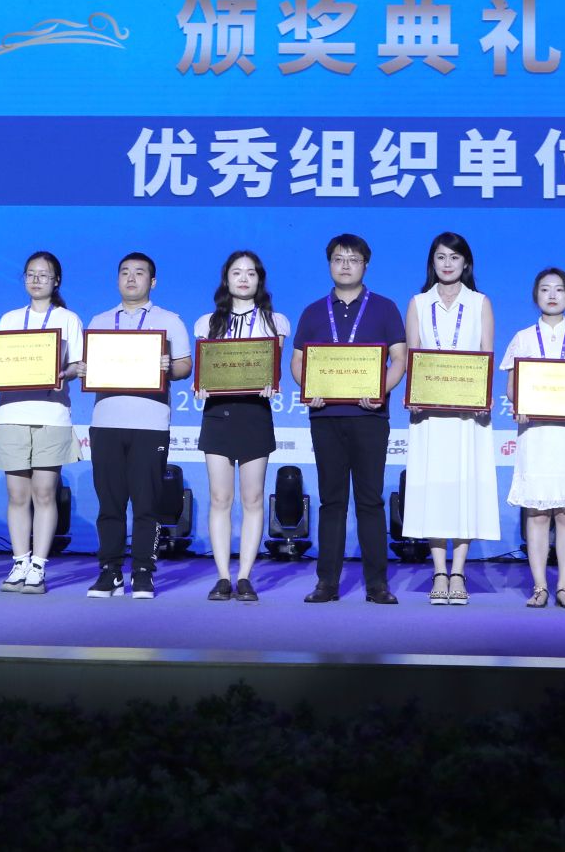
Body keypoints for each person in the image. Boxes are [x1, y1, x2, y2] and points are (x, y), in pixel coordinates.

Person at [294, 234, 409, 605]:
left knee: (370, 500)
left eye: (353, 259)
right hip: (325, 416)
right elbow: (298, 361)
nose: (345, 265)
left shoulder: (385, 308)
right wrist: (309, 388)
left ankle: (377, 584)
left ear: (365, 265)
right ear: (329, 264)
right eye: (338, 259)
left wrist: (379, 391)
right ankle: (326, 583)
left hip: (370, 416)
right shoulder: (313, 311)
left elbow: (400, 358)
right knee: (331, 501)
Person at [84, 252, 191, 600]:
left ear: (152, 281)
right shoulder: (100, 321)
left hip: (150, 423)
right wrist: (85, 369)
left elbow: (185, 366)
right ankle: (110, 571)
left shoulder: (169, 321)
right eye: (125, 273)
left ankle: (143, 571)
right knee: (110, 503)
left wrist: (168, 366)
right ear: (117, 279)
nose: (131, 279)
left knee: (146, 503)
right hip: (106, 421)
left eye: (140, 273)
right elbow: (87, 365)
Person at [401, 232, 497, 605]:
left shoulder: (480, 303)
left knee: (464, 489)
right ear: (433, 262)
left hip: (468, 416)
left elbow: (486, 355)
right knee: (434, 489)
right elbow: (413, 356)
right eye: (441, 257)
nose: (447, 264)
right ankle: (439, 571)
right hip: (429, 415)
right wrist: (414, 395)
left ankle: (458, 571)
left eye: (454, 257)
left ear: (465, 263)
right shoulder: (418, 303)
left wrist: (482, 397)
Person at [500, 268, 565, 609]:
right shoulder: (522, 338)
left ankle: (564, 586)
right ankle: (539, 586)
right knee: (537, 513)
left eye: (559, 289)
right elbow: (512, 387)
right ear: (536, 296)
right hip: (537, 435)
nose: (552, 295)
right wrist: (520, 404)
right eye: (545, 289)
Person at [193, 250, 292, 603]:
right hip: (218, 414)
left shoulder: (274, 322)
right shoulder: (207, 322)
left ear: (259, 279)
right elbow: (204, 369)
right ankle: (223, 577)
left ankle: (245, 576)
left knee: (253, 499)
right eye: (237, 272)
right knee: (220, 498)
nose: (244, 278)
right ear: (226, 279)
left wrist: (270, 383)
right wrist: (201, 385)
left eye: (251, 272)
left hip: (255, 413)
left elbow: (273, 369)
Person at [0, 251, 84, 596]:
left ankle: (39, 566)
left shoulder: (68, 319)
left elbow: (78, 365)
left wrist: (65, 373)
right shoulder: (9, 319)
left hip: (51, 415)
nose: (36, 280)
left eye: (44, 275)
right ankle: (19, 561)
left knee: (45, 493)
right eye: (30, 273)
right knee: (17, 495)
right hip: (12, 413)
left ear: (56, 281)